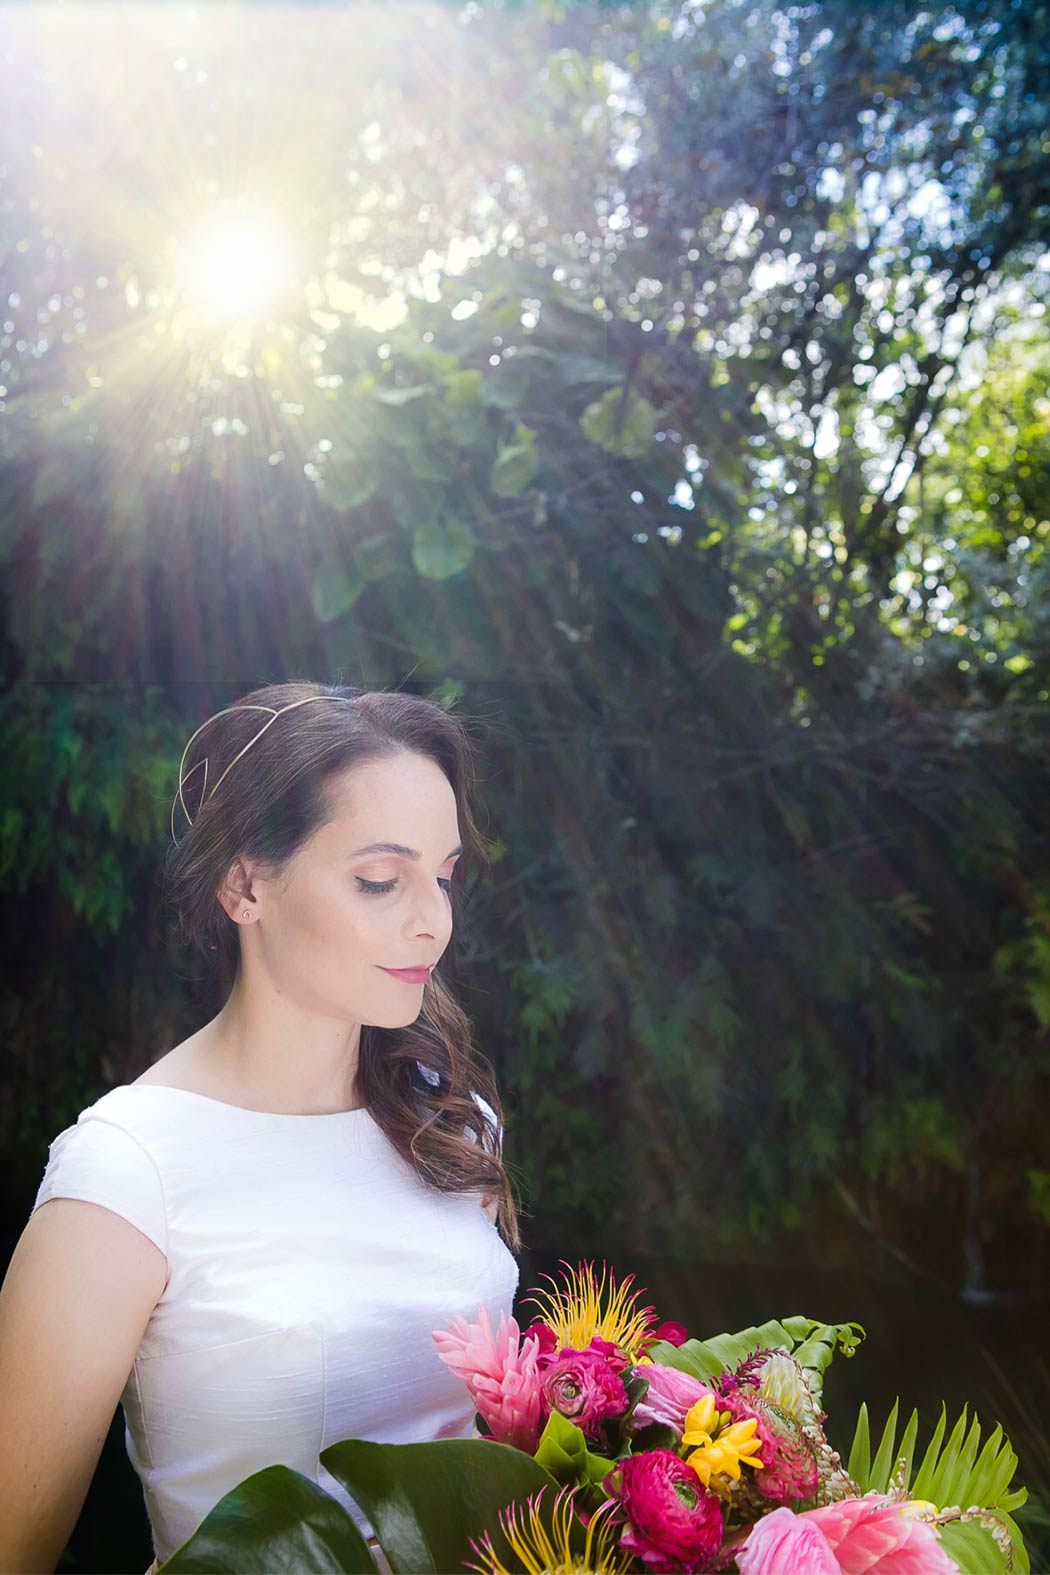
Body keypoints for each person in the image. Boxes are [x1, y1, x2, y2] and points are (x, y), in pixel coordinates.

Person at [0, 681, 524, 1575]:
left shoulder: (449, 1116)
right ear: (244, 882)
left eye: (443, 874)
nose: (433, 918)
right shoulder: (128, 1168)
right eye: (379, 879)